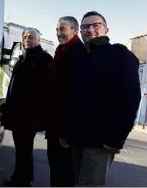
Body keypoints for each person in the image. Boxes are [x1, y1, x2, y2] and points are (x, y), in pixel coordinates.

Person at [64, 11, 141, 186]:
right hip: (77, 138)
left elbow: (130, 99)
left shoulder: (119, 54)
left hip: (100, 143)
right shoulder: (82, 57)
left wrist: (116, 139)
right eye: (85, 27)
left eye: (95, 26)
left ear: (106, 29)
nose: (90, 30)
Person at [2, 27, 53, 187]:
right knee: (22, 151)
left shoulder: (44, 59)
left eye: (30, 37)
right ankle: (24, 178)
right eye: (24, 37)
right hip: (18, 115)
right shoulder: (24, 57)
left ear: (38, 40)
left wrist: (36, 118)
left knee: (23, 151)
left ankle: (21, 181)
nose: (26, 40)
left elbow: (46, 92)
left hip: (28, 117)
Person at [46, 16, 87, 187]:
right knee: (56, 168)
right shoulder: (62, 50)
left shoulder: (78, 52)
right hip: (56, 124)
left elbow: (75, 95)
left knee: (65, 172)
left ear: (74, 30)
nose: (58, 33)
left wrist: (66, 132)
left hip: (66, 128)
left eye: (62, 29)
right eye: (57, 29)